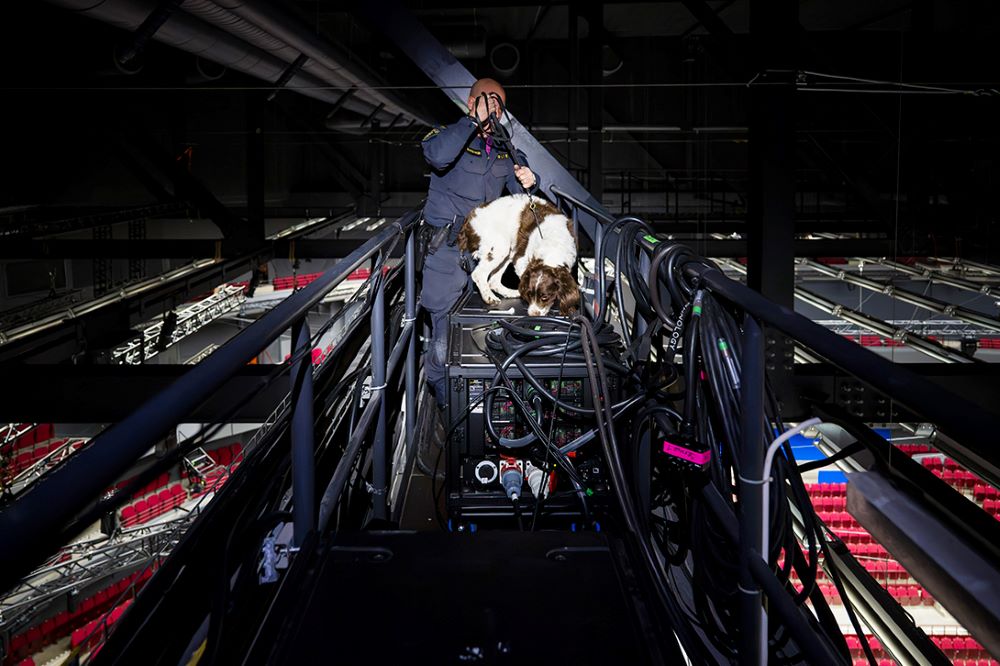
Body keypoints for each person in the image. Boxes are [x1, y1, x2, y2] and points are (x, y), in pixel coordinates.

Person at [420, 78, 539, 408]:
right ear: (471, 103)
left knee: (482, 326)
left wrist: (532, 178)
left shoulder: (503, 148)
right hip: (445, 250)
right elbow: (436, 157)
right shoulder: (449, 135)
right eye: (487, 102)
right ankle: (446, 402)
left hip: (481, 251)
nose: (494, 111)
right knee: (443, 332)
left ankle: (480, 398)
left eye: (499, 105)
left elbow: (523, 180)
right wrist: (473, 121)